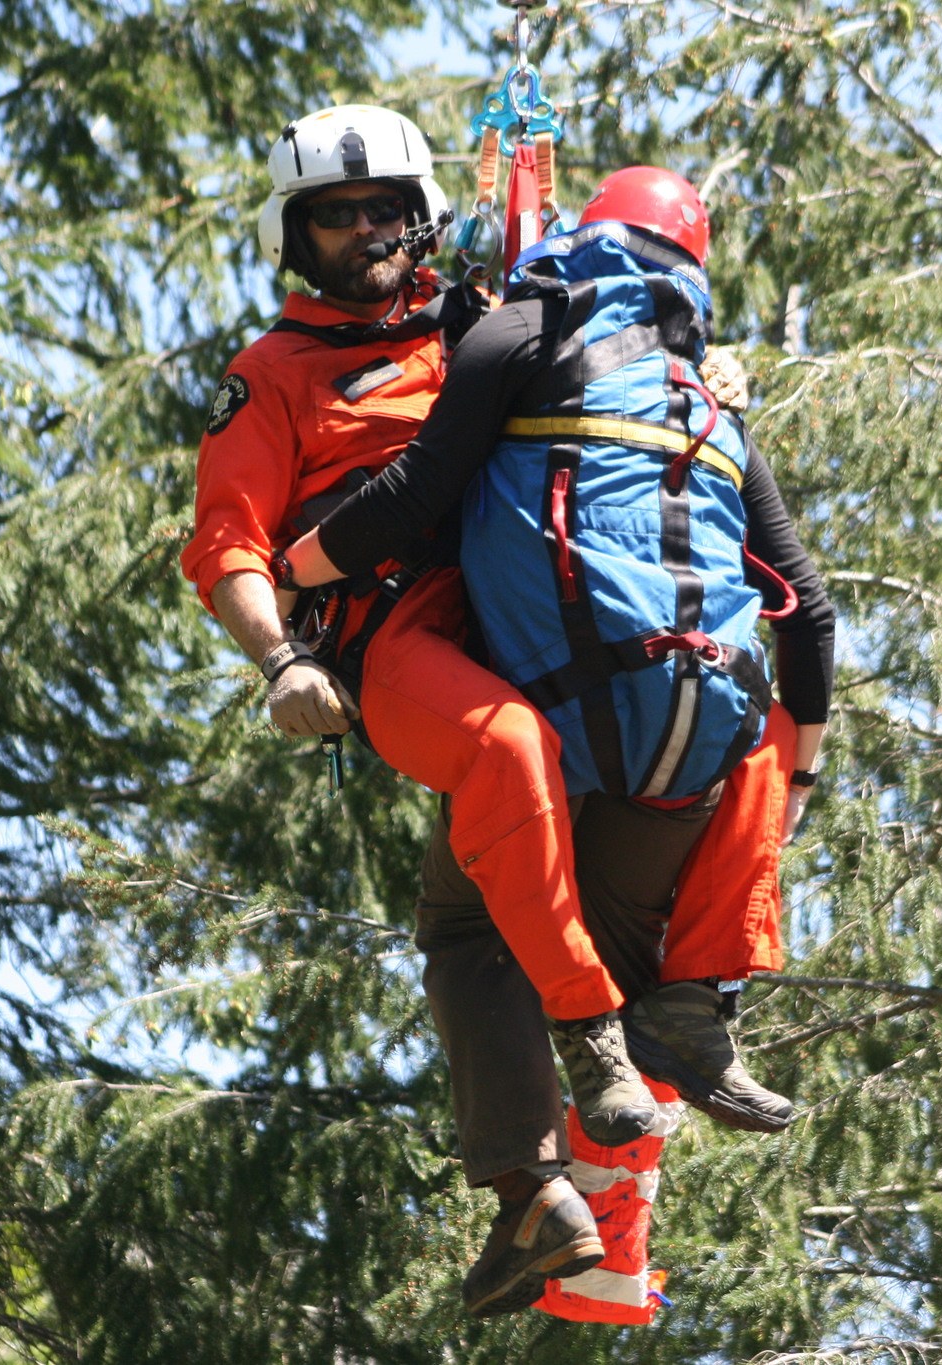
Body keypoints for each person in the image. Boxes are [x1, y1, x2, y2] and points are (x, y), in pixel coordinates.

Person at [180, 110, 832, 1314]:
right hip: (396, 642)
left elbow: (615, 350)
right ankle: (591, 1052)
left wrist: (706, 366)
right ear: (298, 236)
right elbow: (227, 542)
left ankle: (561, 1197)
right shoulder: (270, 378)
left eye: (384, 209)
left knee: (664, 772)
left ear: (421, 214)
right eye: (337, 214)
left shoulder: (483, 318)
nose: (367, 232)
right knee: (505, 754)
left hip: (545, 634)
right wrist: (279, 661)